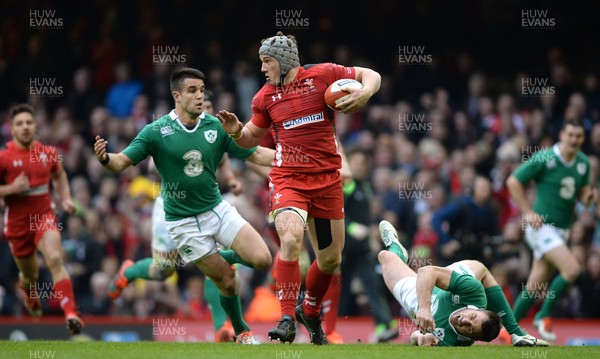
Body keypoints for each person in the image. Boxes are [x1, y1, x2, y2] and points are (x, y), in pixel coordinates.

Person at [217, 31, 381, 345]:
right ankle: (287, 318)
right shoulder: (264, 97)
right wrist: (238, 132)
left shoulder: (324, 75)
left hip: (328, 181)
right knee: (290, 238)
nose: (263, 69)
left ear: (283, 60)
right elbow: (251, 138)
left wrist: (365, 93)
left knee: (331, 260)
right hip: (288, 178)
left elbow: (370, 75)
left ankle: (311, 309)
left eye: (267, 62)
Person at [93, 67, 274, 344]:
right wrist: (106, 158)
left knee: (262, 259)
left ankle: (206, 259)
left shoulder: (214, 126)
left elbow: (256, 154)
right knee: (189, 274)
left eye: (202, 90)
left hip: (216, 210)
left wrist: (295, 157)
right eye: (192, 91)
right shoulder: (156, 131)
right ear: (176, 95)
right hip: (181, 221)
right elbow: (121, 162)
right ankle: (242, 332)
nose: (199, 96)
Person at [378, 220, 548, 347]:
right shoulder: (474, 295)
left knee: (385, 257)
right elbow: (426, 271)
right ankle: (517, 333)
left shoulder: (450, 342)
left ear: (472, 338)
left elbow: (414, 337)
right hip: (441, 291)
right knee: (479, 269)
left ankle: (396, 249)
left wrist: (421, 338)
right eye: (472, 317)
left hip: (414, 296)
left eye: (470, 329)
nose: (465, 321)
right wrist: (425, 308)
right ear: (477, 309)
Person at [507, 118, 595, 342]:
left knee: (535, 285)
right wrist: (527, 211)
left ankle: (508, 329)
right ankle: (543, 315)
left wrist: (589, 197)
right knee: (573, 268)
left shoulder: (583, 162)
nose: (574, 140)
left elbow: (582, 193)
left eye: (578, 136)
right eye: (570, 135)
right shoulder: (545, 157)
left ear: (582, 139)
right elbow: (513, 181)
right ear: (562, 136)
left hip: (562, 230)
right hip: (541, 227)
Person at [0, 104, 84, 335]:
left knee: (55, 258)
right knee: (30, 275)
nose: (25, 127)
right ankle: (30, 294)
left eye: (29, 122)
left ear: (36, 125)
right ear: (12, 128)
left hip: (44, 217)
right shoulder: (4, 157)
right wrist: (10, 189)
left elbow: (59, 174)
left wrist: (66, 198)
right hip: (17, 226)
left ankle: (71, 313)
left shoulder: (48, 153)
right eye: (19, 123)